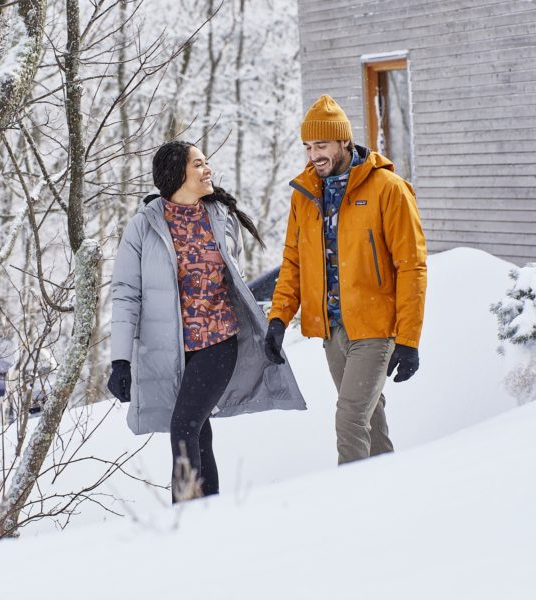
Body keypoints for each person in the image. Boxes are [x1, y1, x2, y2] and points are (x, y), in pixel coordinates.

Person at [107, 140, 305, 502]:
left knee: (183, 426)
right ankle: (210, 515)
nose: (207, 169)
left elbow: (236, 278)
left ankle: (184, 518)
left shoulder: (220, 217)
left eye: (206, 162)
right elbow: (125, 293)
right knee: (198, 431)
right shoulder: (143, 227)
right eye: (198, 164)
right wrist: (120, 360)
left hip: (218, 339)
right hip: (171, 350)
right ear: (176, 175)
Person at [264, 95, 427, 465]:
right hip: (332, 330)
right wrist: (278, 319)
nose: (314, 154)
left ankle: (347, 505)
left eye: (321, 145)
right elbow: (293, 262)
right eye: (307, 146)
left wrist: (409, 339)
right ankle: (387, 496)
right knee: (371, 418)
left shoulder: (387, 188)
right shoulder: (305, 194)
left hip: (374, 324)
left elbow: (411, 266)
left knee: (350, 419)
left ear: (343, 141)